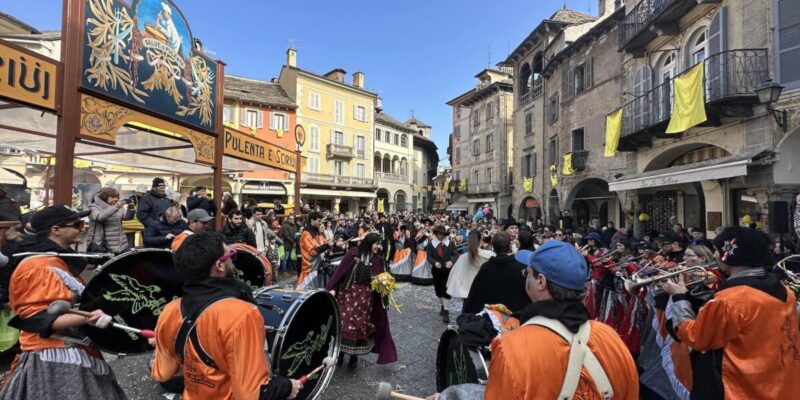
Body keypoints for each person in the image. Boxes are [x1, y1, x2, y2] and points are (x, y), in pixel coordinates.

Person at [478, 240, 638, 399]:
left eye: (527, 273)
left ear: (541, 282)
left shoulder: (510, 348)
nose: (525, 278)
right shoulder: (611, 337)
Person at [151, 232, 302, 399]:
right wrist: (287, 387)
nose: (232, 259)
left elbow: (162, 374)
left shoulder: (169, 311)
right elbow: (252, 393)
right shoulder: (242, 314)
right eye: (230, 255)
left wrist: (164, 342)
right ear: (220, 265)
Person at [1, 205, 127, 399]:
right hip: (53, 357)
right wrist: (89, 318)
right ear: (56, 230)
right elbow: (38, 319)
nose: (81, 228)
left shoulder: (53, 260)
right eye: (76, 224)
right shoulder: (40, 267)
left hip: (70, 349)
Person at [662, 226, 800, 398]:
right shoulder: (784, 290)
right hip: (778, 385)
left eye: (719, 251)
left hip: (739, 389)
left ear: (732, 256)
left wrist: (679, 298)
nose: (714, 255)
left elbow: (697, 338)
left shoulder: (731, 300)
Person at [324, 232, 398, 371]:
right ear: (369, 243)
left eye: (379, 244)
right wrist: (332, 288)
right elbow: (340, 272)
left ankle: (354, 356)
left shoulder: (377, 259)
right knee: (345, 324)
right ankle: (339, 353)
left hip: (366, 299)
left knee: (359, 326)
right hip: (348, 295)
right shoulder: (353, 253)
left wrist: (384, 282)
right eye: (376, 244)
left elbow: (380, 276)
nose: (378, 247)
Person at [462, 231, 531, 315]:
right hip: (514, 315)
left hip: (492, 315)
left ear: (493, 246)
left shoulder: (486, 267)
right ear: (509, 246)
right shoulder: (520, 267)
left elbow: (475, 294)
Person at [446, 230, 495, 316]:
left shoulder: (462, 258)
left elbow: (454, 280)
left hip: (468, 299)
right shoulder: (490, 255)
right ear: (481, 240)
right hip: (486, 296)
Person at [426, 225, 458, 323]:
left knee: (446, 290)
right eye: (438, 234)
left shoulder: (451, 243)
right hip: (437, 270)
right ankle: (442, 305)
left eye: (442, 234)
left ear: (445, 234)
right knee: (438, 290)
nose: (440, 236)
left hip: (448, 270)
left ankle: (446, 311)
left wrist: (451, 262)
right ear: (436, 234)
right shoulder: (431, 244)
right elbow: (429, 257)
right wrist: (434, 263)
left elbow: (455, 254)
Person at [87, 187, 130, 254]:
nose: (115, 199)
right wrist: (115, 207)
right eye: (112, 197)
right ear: (105, 197)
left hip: (119, 243)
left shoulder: (117, 206)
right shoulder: (94, 207)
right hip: (102, 245)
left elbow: (126, 217)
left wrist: (131, 209)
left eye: (117, 197)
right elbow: (99, 217)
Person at [296, 211, 331, 290]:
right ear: (312, 220)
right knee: (303, 294)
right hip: (309, 270)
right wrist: (326, 245)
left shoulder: (317, 232)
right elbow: (312, 252)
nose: (320, 223)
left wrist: (332, 244)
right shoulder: (306, 234)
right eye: (319, 221)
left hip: (317, 268)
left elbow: (324, 242)